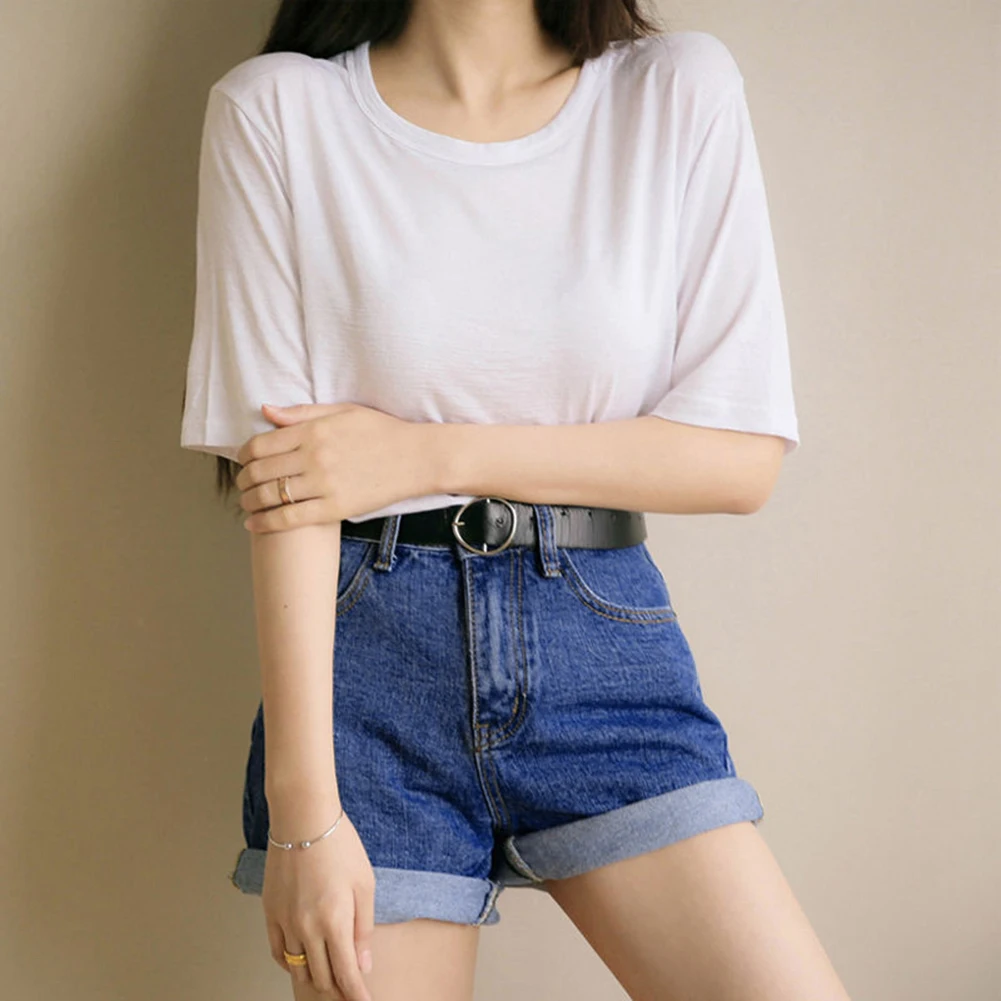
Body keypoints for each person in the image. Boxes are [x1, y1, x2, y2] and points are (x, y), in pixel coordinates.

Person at [180, 2, 851, 999]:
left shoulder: (673, 90)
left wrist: (425, 452)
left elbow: (738, 458)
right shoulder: (276, 111)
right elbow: (288, 488)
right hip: (364, 677)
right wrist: (303, 815)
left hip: (601, 645)